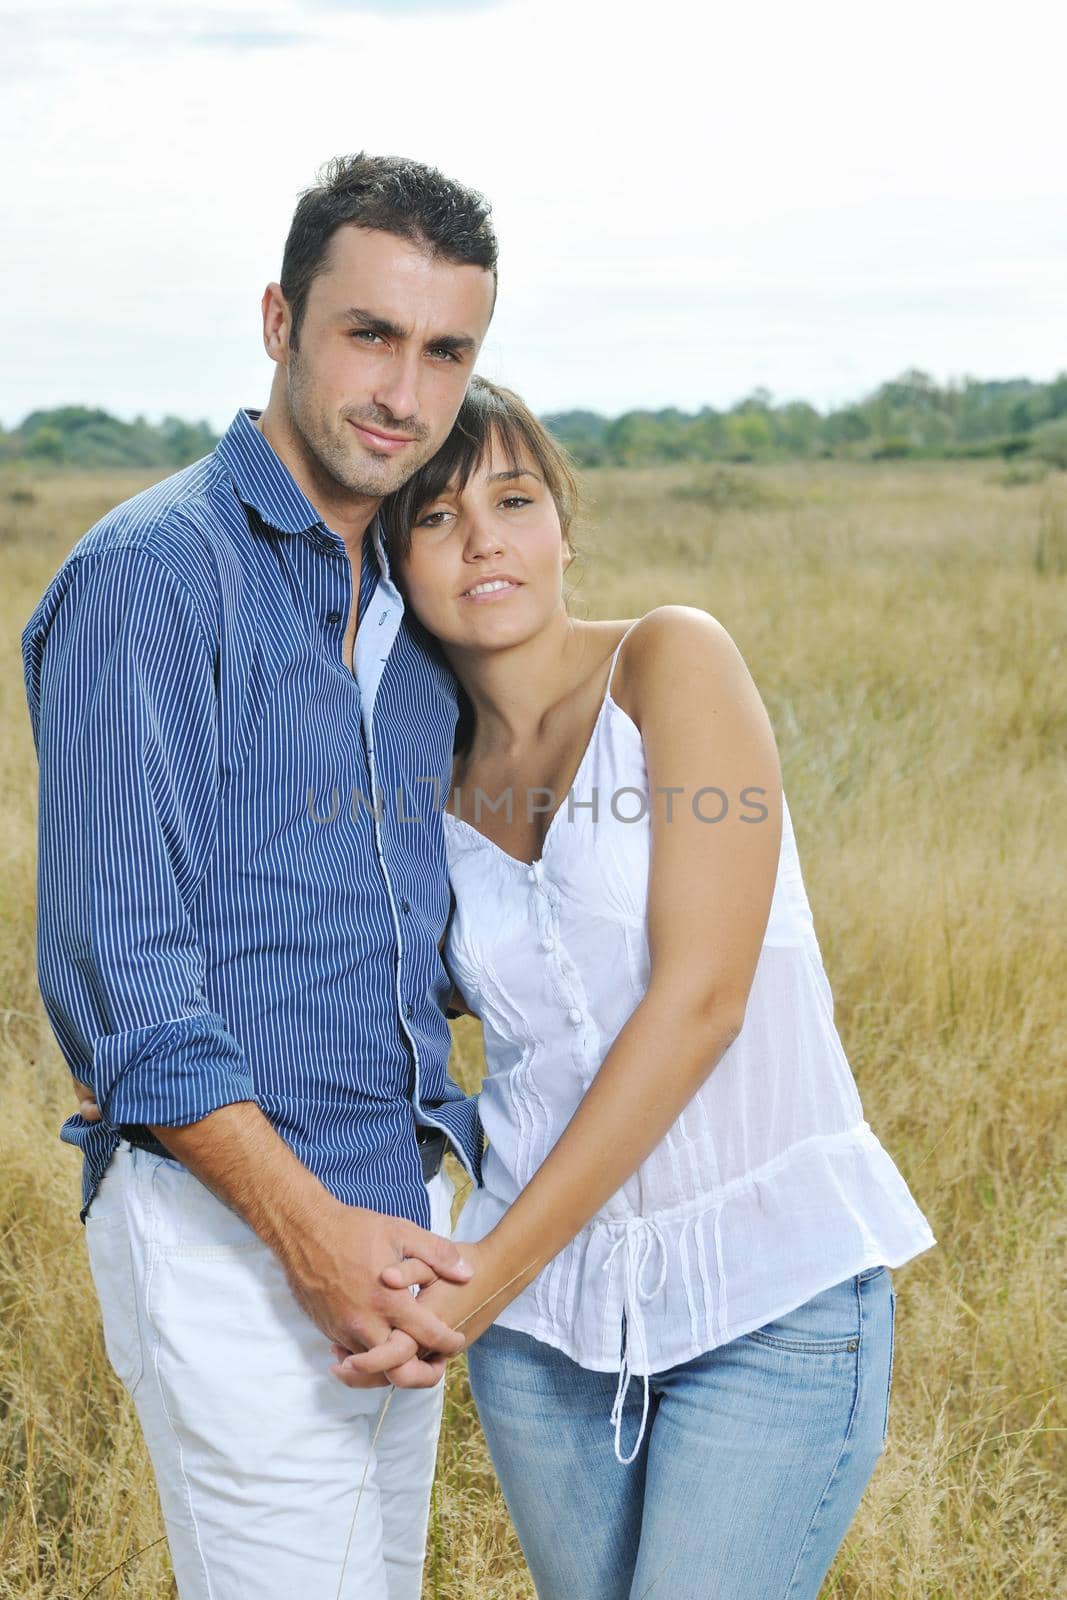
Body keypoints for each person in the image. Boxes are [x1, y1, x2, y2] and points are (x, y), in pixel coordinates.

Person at [337, 376, 937, 1599]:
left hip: (764, 1302)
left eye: (513, 499)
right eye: (438, 518)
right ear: (397, 561)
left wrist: (475, 1278)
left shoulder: (669, 661)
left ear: (563, 522)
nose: (487, 538)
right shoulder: (420, 778)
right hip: (547, 1340)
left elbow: (703, 999)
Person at [22, 154, 500, 1599]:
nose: (401, 395)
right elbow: (123, 967)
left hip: (401, 1232)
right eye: (368, 333)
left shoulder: (414, 619)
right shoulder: (154, 574)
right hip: (241, 1238)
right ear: (280, 320)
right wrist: (309, 1240)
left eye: (443, 353)